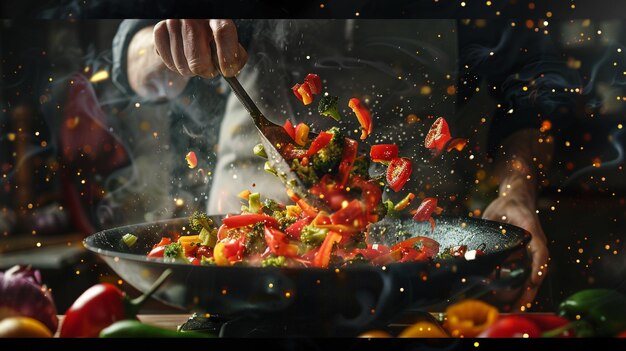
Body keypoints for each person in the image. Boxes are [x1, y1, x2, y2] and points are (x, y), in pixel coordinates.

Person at [111, 19, 579, 311]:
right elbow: (131, 47)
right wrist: (160, 48)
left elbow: (535, 80)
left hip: (415, 255)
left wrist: (516, 190)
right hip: (243, 261)